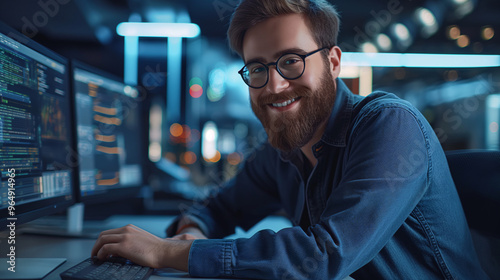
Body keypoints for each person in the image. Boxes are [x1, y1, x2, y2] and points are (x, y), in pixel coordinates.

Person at [92, 0, 489, 279]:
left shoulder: (390, 125)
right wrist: (194, 230)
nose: (275, 85)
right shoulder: (282, 152)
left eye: (291, 61)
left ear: (333, 62)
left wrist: (170, 251)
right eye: (257, 69)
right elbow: (220, 207)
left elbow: (324, 256)